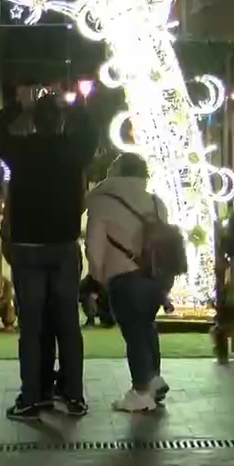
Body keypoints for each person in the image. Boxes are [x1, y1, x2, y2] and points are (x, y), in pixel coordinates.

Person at [0, 86, 99, 420]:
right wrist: (77, 106)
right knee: (68, 323)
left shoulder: (21, 149)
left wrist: (15, 107)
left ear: (35, 122)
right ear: (60, 120)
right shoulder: (74, 149)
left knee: (32, 325)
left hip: (27, 246)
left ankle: (33, 396)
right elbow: (91, 130)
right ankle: (73, 394)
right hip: (63, 245)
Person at [84, 152, 171, 412]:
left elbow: (95, 244)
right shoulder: (156, 202)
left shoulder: (103, 202)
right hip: (157, 278)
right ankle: (154, 378)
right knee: (146, 325)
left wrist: (97, 276)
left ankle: (141, 391)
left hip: (124, 275)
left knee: (133, 332)